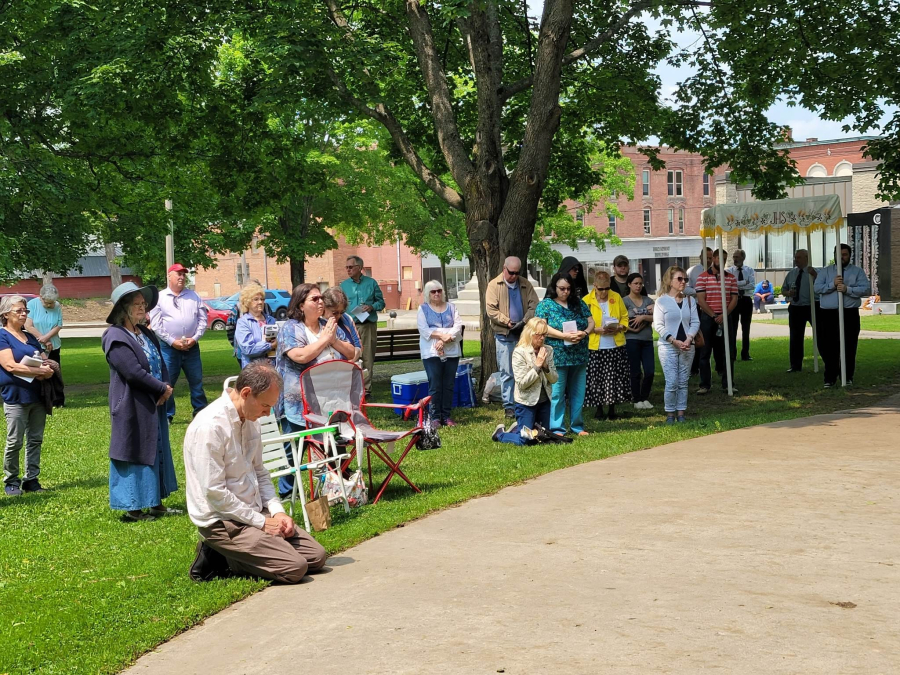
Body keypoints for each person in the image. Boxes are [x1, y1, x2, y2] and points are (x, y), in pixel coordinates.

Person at [184, 361, 327, 583]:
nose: (267, 413)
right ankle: (221, 554)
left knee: (316, 557)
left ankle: (246, 551)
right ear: (246, 393)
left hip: (254, 511)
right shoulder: (210, 426)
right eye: (264, 406)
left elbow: (260, 472)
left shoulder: (251, 420)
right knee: (295, 568)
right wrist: (261, 523)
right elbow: (214, 493)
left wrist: (277, 511)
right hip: (223, 521)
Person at [102, 282, 179, 522]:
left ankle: (155, 502)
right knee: (134, 451)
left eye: (143, 304)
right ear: (122, 309)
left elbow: (161, 362)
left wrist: (166, 387)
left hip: (154, 403)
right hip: (131, 405)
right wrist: (161, 388)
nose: (142, 308)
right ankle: (133, 509)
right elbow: (132, 372)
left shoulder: (145, 332)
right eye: (136, 304)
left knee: (156, 449)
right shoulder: (114, 336)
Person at [275, 284, 356, 495]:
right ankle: (286, 493)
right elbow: (300, 356)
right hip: (298, 403)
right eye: (315, 299)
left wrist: (334, 340)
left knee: (334, 444)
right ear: (301, 305)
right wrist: (324, 341)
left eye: (321, 298)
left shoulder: (328, 326)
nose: (321, 302)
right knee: (294, 449)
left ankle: (338, 488)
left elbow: (351, 353)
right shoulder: (291, 328)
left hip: (330, 400)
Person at [0, 295, 54, 496]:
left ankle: (31, 480)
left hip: (37, 396)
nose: (24, 314)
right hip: (15, 396)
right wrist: (40, 372)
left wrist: (47, 367)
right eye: (19, 311)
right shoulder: (2, 336)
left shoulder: (30, 337)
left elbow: (42, 359)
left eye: (25, 311)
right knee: (15, 441)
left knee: (35, 440)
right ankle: (11, 481)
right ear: (5, 314)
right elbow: (9, 365)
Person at [148, 263, 209, 422]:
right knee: (167, 383)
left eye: (183, 274)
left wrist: (194, 339)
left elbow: (203, 320)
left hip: (192, 348)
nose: (182, 277)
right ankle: (167, 415)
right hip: (169, 349)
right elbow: (156, 325)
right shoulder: (159, 298)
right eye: (178, 274)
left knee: (196, 382)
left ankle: (201, 414)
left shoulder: (194, 296)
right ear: (169, 276)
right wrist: (172, 341)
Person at [536, 272, 593, 436]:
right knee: (558, 394)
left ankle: (577, 426)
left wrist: (585, 333)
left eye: (568, 289)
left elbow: (591, 321)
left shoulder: (578, 303)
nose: (565, 292)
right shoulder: (546, 305)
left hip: (579, 354)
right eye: (562, 288)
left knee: (578, 393)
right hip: (558, 357)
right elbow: (542, 327)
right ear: (554, 288)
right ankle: (557, 427)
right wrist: (563, 336)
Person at [486, 256, 539, 419]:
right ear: (504, 268)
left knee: (526, 369)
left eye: (517, 273)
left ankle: (524, 402)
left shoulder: (525, 283)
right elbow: (491, 310)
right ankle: (509, 406)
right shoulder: (494, 285)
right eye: (511, 273)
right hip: (504, 335)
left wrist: (523, 321)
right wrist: (508, 322)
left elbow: (535, 305)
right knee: (507, 372)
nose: (514, 276)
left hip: (523, 334)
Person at [491, 318, 558, 444]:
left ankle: (518, 428)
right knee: (526, 441)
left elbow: (554, 379)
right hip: (526, 402)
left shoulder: (548, 350)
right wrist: (537, 366)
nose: (542, 338)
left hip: (544, 402)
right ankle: (500, 434)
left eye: (545, 334)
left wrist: (545, 367)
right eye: (539, 335)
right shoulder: (520, 352)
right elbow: (522, 384)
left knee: (542, 438)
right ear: (530, 334)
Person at [814, 244, 870, 387]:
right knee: (829, 347)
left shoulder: (856, 272)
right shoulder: (825, 272)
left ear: (849, 256)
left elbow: (865, 288)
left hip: (849, 313)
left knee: (849, 346)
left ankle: (847, 376)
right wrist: (832, 285)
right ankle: (830, 378)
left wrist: (847, 289)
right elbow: (817, 287)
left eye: (844, 254)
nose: (841, 257)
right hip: (829, 314)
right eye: (838, 254)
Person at [653, 267, 700, 424]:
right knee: (672, 381)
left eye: (685, 279)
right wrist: (673, 340)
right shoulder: (661, 301)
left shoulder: (690, 300)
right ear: (669, 281)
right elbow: (658, 325)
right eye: (679, 279)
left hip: (687, 346)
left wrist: (689, 338)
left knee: (683, 381)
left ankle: (681, 413)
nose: (683, 282)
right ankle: (670, 414)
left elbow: (695, 322)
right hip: (668, 346)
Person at [583, 271, 630, 420]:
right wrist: (595, 329)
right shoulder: (586, 300)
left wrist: (620, 327)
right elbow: (582, 322)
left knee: (613, 378)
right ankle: (598, 409)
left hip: (614, 344)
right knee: (597, 378)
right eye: (601, 289)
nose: (604, 292)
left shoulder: (615, 297)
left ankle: (612, 409)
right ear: (595, 286)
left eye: (607, 288)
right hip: (595, 346)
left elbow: (624, 317)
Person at [417, 280, 463, 427]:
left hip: (451, 351)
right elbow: (424, 329)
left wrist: (445, 339)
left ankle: (446, 415)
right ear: (428, 294)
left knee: (448, 384)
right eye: (433, 291)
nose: (437, 294)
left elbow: (458, 326)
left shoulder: (451, 307)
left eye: (439, 290)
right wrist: (442, 336)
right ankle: (435, 416)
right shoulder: (423, 309)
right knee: (435, 384)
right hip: (431, 353)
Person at [694, 249, 739, 394]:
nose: (722, 261)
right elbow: (701, 300)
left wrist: (724, 315)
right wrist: (714, 315)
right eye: (720, 258)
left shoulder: (731, 278)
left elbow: (734, 298)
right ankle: (705, 384)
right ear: (713, 258)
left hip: (726, 317)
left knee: (728, 351)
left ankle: (728, 383)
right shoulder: (702, 277)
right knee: (705, 351)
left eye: (725, 259)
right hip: (708, 318)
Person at [340, 256, 385, 395]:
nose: (348, 269)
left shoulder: (371, 283)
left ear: (359, 268)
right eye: (346, 267)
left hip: (367, 325)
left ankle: (366, 390)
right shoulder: (343, 286)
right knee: (350, 356)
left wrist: (371, 307)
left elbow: (381, 303)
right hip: (349, 326)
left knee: (367, 357)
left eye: (351, 267)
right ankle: (352, 388)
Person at [622, 273, 655, 410]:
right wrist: (632, 329)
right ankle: (636, 399)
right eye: (635, 283)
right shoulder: (624, 301)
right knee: (635, 371)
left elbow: (656, 317)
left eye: (640, 283)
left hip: (647, 339)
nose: (638, 286)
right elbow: (621, 319)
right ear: (629, 284)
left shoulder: (648, 300)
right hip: (631, 339)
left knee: (650, 371)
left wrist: (642, 318)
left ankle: (645, 397)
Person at [782, 249, 820, 373]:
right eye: (795, 257)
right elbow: (783, 290)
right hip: (796, 308)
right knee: (795, 337)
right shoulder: (792, 274)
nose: (796, 260)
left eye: (799, 257)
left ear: (806, 258)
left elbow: (823, 285)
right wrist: (788, 293)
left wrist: (815, 275)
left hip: (813, 306)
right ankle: (795, 365)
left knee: (821, 335)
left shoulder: (815, 272)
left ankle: (829, 361)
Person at [25, 285, 64, 398]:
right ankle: (42, 398)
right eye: (47, 303)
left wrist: (47, 337)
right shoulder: (32, 304)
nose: (49, 305)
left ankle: (58, 399)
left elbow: (58, 325)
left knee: (55, 372)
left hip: (54, 344)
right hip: (36, 345)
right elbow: (28, 326)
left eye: (51, 303)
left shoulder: (57, 306)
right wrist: (44, 340)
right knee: (39, 372)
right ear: (41, 297)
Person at [234, 284, 277, 368]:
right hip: (253, 370)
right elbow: (248, 349)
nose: (260, 302)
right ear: (247, 302)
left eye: (262, 299)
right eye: (256, 299)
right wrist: (270, 345)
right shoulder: (243, 322)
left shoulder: (271, 320)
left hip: (273, 369)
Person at [727, 249, 755, 361]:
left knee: (746, 328)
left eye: (737, 257)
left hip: (746, 300)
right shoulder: (729, 271)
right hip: (734, 300)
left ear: (743, 258)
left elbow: (752, 285)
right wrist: (744, 282)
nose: (735, 259)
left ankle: (745, 354)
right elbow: (729, 285)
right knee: (733, 328)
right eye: (734, 257)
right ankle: (732, 354)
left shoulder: (750, 270)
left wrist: (736, 285)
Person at [322, 287, 362, 363]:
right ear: (324, 307)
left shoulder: (347, 319)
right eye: (335, 313)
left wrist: (351, 361)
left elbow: (358, 346)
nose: (339, 316)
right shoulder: (316, 321)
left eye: (341, 312)